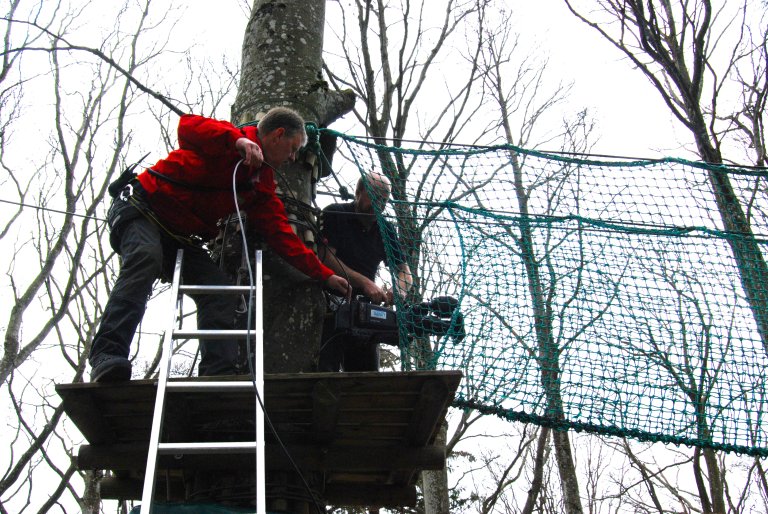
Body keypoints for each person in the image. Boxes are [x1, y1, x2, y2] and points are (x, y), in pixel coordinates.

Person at [88, 107, 350, 382]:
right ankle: (108, 354)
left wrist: (325, 275)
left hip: (177, 237)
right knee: (145, 259)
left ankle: (216, 375)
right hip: (143, 208)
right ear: (278, 135)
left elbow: (284, 237)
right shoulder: (227, 137)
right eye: (293, 148)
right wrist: (235, 142)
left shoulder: (259, 187)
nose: (293, 157)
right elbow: (188, 126)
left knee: (220, 292)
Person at [318, 172, 412, 371]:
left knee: (366, 376)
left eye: (383, 200)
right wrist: (365, 282)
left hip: (363, 313)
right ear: (358, 192)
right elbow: (326, 257)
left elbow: (405, 272)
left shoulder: (385, 230)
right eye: (374, 197)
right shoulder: (336, 213)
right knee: (325, 370)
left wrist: (399, 291)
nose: (378, 204)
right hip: (328, 304)